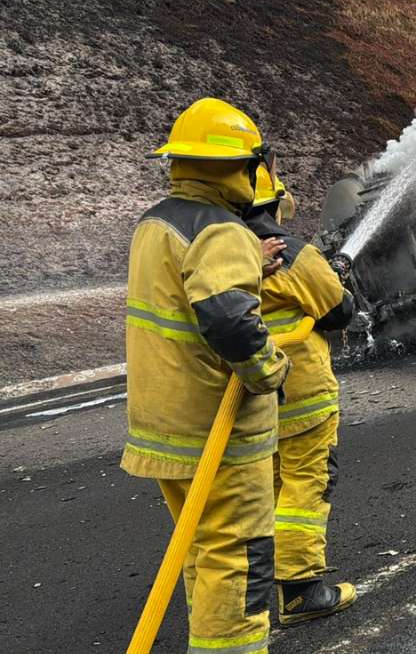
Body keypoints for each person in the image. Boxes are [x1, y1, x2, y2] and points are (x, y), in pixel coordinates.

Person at [123, 98, 290, 654]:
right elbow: (228, 320)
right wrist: (270, 369)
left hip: (162, 422)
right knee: (239, 557)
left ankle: (208, 642)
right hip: (212, 430)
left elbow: (189, 292)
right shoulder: (223, 230)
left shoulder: (157, 222)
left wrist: (252, 268)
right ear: (242, 166)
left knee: (202, 548)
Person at [245, 168, 358, 625]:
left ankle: (257, 586)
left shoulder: (223, 252)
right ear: (276, 204)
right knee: (305, 484)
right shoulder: (291, 252)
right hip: (302, 394)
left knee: (266, 486)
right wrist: (334, 277)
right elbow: (339, 311)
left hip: (250, 395)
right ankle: (301, 591)